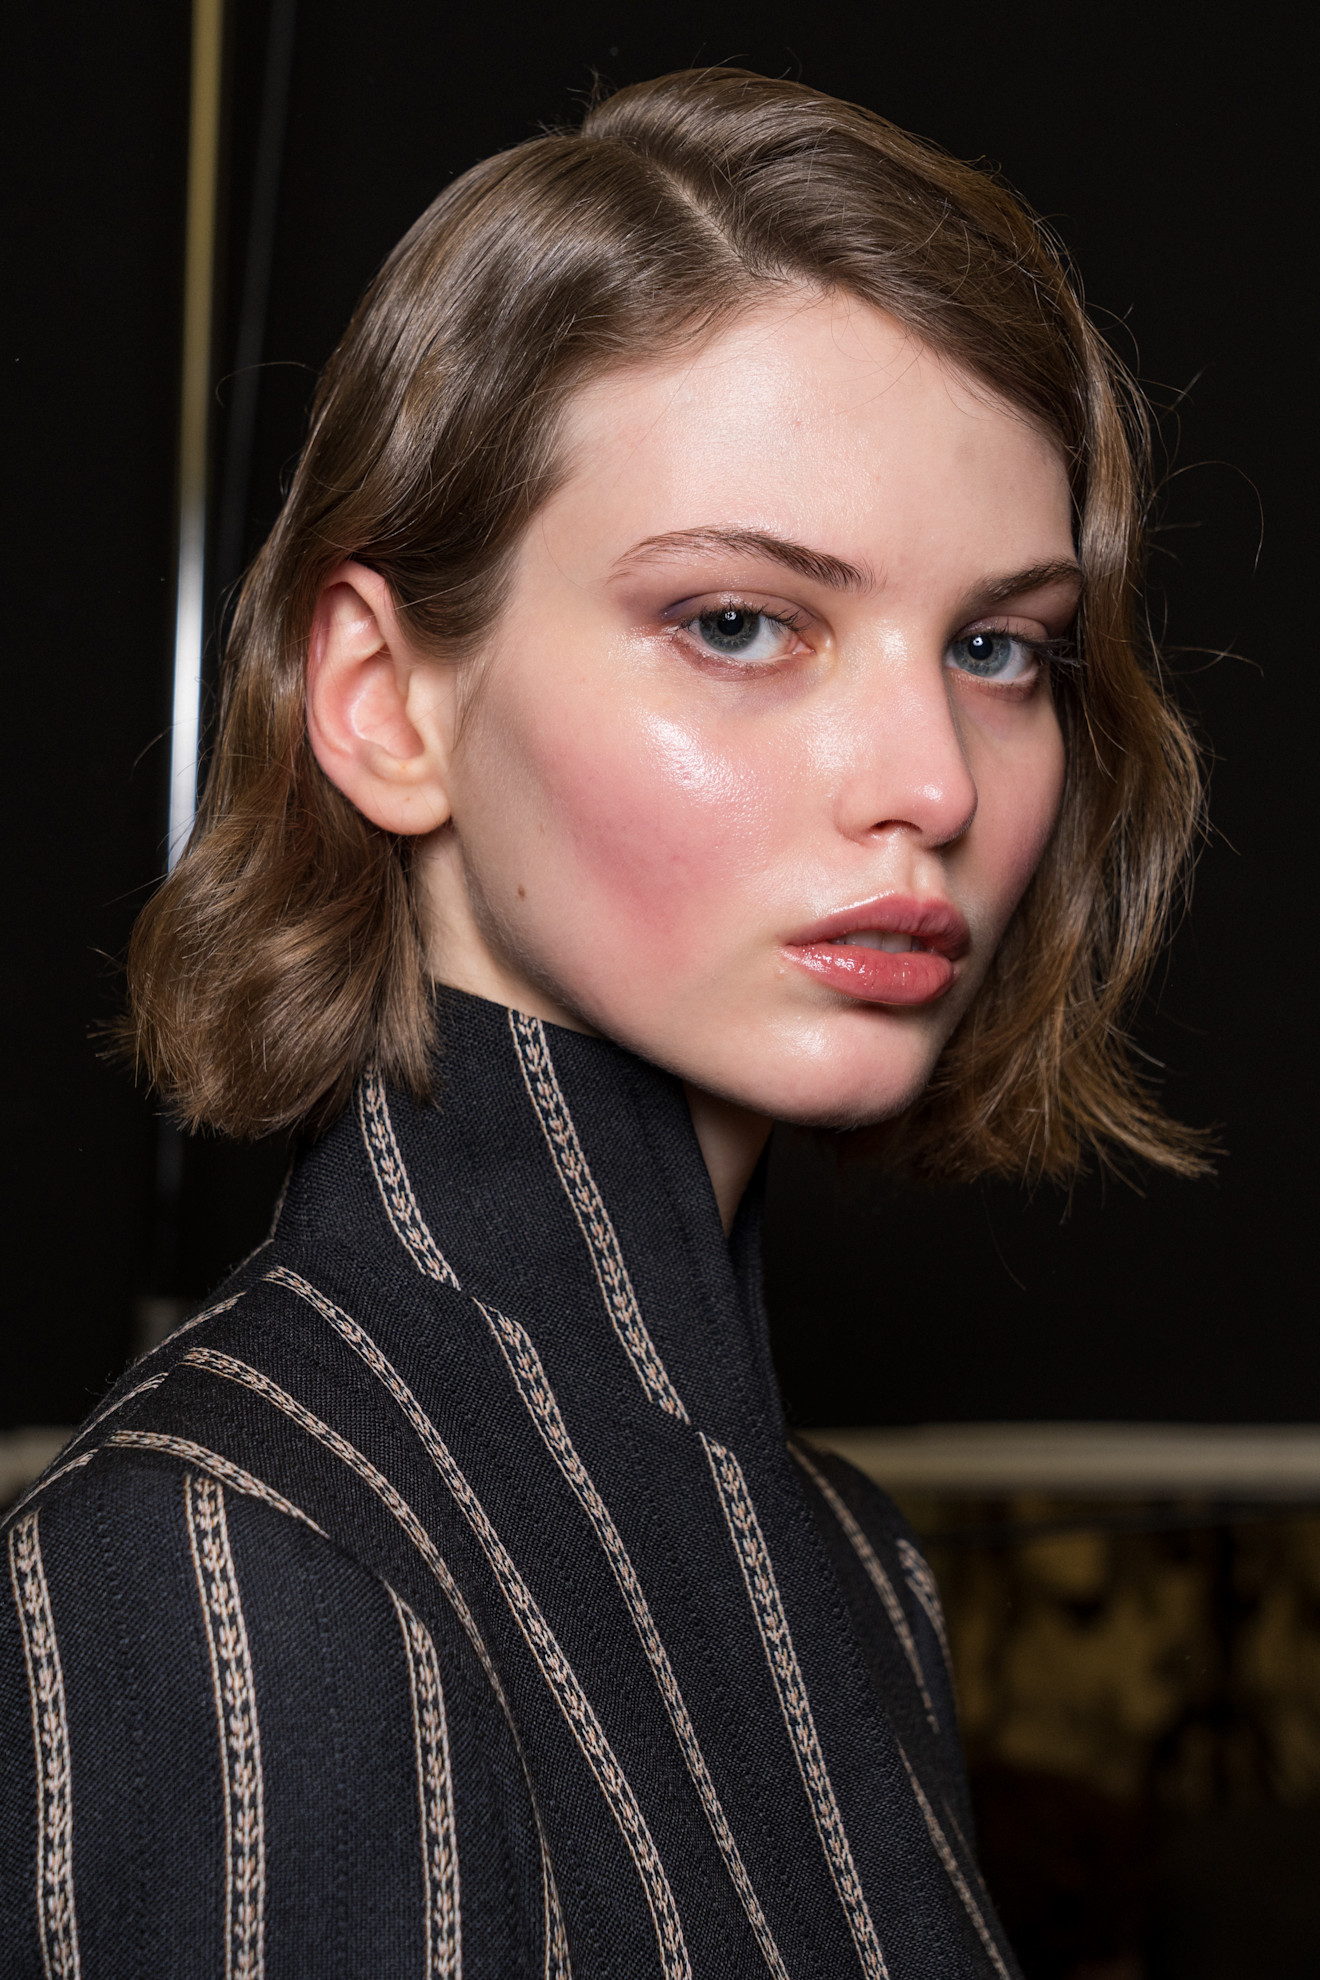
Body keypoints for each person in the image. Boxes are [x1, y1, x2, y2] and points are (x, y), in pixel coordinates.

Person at [1, 68, 1204, 1978]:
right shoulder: (226, 1565)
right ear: (384, 702)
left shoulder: (851, 1563)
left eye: (999, 648)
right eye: (739, 623)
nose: (935, 780)